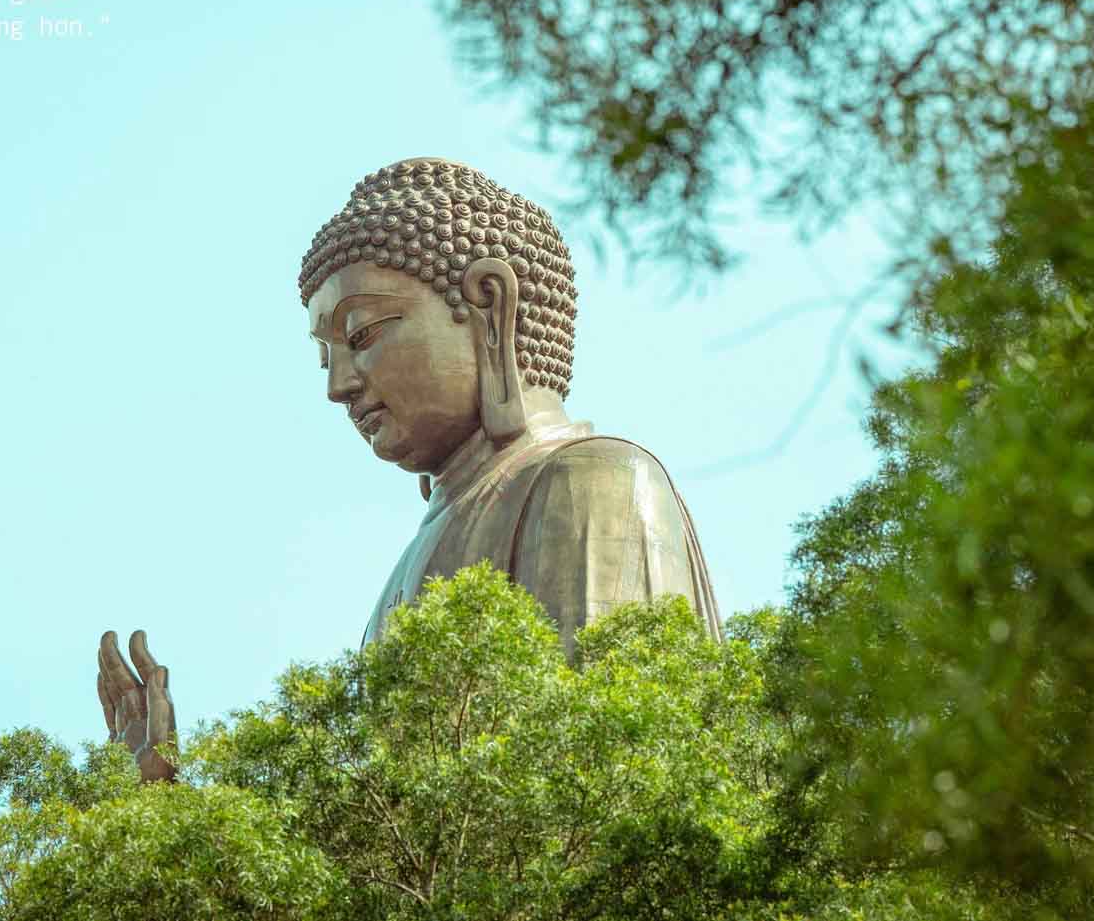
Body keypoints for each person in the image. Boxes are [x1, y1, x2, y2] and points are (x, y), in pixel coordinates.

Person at [98, 158, 721, 781]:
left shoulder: (595, 480)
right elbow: (393, 828)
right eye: (326, 359)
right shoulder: (413, 560)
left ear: (490, 306)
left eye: (362, 335)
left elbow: (618, 782)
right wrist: (166, 802)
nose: (339, 387)